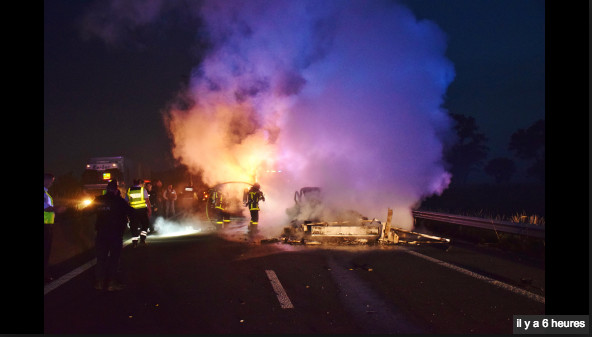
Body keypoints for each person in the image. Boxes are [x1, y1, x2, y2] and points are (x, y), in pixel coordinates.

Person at [85, 180, 135, 291]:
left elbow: (86, 211)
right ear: (116, 190)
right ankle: (111, 283)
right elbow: (131, 212)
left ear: (107, 189)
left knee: (101, 258)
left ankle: (99, 282)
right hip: (115, 234)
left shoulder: (99, 200)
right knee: (114, 258)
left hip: (101, 234)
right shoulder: (119, 201)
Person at [44, 173, 65, 283]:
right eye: (51, 181)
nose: (52, 183)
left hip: (47, 225)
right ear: (46, 180)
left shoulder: (46, 193)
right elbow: (46, 209)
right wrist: (57, 209)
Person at [125, 179, 152, 247]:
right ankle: (142, 239)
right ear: (140, 183)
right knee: (145, 224)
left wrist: (127, 211)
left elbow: (126, 202)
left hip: (133, 211)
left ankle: (134, 242)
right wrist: (149, 209)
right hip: (142, 210)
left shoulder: (129, 190)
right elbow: (147, 201)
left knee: (134, 226)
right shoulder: (142, 190)